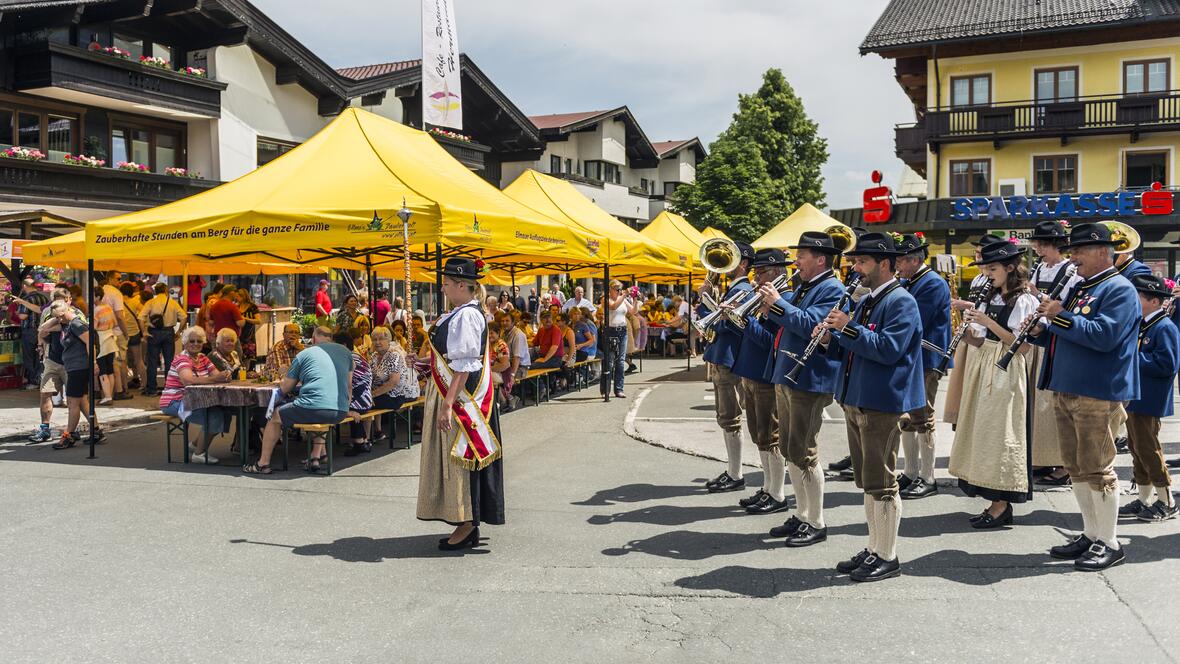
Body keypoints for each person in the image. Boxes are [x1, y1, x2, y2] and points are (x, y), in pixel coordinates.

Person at [1028, 222, 1140, 571]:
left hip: (1096, 390)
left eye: (1079, 251)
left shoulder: (1119, 289)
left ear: (1103, 253)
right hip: (1068, 386)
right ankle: (1091, 533)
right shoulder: (1082, 288)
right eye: (1072, 250)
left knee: (1098, 467)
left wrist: (1059, 318)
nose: (1073, 257)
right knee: (1076, 466)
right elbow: (1068, 336)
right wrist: (1040, 332)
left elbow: (1104, 337)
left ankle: (1110, 541)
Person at [823, 232, 923, 582]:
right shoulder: (867, 300)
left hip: (882, 400)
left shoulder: (901, 301)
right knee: (868, 481)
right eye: (855, 262)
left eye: (862, 262)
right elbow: (853, 348)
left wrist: (848, 329)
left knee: (882, 482)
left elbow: (889, 349)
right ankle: (874, 547)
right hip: (858, 397)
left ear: (884, 263)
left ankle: (888, 555)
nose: (856, 268)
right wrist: (830, 337)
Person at [761, 231, 846, 546]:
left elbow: (812, 326)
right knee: (790, 449)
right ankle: (801, 514)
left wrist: (779, 304)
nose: (796, 260)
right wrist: (768, 308)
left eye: (802, 255)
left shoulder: (832, 288)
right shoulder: (804, 287)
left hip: (809, 378)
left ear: (820, 259)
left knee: (804, 451)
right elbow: (786, 323)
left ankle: (817, 520)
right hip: (788, 373)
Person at [415, 257, 505, 550]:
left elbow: (465, 365)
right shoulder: (458, 313)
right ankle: (463, 519)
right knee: (454, 460)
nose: (443, 288)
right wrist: (420, 363)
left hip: (461, 399)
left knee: (461, 460)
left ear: (462, 285)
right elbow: (449, 360)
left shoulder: (467, 316)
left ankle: (468, 523)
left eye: (447, 284)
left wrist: (447, 404)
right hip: (449, 394)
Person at [948, 240, 1040, 528]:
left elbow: (1022, 347)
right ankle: (992, 500)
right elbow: (980, 339)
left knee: (1001, 435)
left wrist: (987, 321)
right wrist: (965, 334)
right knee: (983, 432)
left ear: (1010, 268)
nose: (988, 273)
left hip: (1007, 367)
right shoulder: (991, 295)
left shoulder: (1023, 299)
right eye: (985, 268)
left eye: (993, 268)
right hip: (984, 362)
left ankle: (1002, 504)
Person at [726, 249, 789, 515]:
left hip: (765, 375)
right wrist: (732, 317)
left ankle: (777, 493)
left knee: (770, 436)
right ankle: (767, 488)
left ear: (776, 272)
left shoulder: (781, 300)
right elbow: (749, 334)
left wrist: (748, 319)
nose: (756, 277)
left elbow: (770, 342)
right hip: (750, 372)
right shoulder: (760, 298)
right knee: (759, 435)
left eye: (761, 272)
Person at [244, 326, 352, 474]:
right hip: (340, 410)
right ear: (331, 338)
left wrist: (283, 378)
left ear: (313, 339)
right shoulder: (346, 352)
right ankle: (316, 455)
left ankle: (262, 463)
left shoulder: (304, 354)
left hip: (314, 408)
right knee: (319, 411)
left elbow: (286, 388)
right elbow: (349, 385)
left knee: (275, 416)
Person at [894, 233, 951, 499]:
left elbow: (914, 319)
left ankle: (928, 476)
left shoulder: (931, 283)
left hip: (927, 358)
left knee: (923, 416)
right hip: (913, 358)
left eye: (901, 262)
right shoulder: (911, 281)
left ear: (915, 260)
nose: (898, 267)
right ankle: (910, 471)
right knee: (907, 416)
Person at [1026, 221, 1081, 487]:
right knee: (1040, 403)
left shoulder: (1069, 269)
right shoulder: (1040, 267)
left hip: (1056, 333)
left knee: (1052, 403)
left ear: (1056, 246)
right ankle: (1043, 456)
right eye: (1038, 245)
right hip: (1041, 334)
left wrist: (1037, 294)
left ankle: (1062, 463)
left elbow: (1064, 302)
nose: (1039, 250)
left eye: (1043, 245)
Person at [1120, 274, 1179, 522]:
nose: (1134, 301)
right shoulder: (1143, 323)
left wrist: (1132, 357)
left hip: (1149, 397)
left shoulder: (1164, 327)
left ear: (1155, 301)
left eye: (1139, 297)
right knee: (1136, 448)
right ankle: (1144, 497)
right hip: (1135, 395)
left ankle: (1167, 500)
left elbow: (1167, 365)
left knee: (1148, 448)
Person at [700, 241, 756, 493]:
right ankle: (734, 471)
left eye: (732, 259)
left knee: (729, 416)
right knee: (726, 416)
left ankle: (735, 473)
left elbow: (730, 324)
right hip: (723, 356)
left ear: (743, 263)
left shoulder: (742, 289)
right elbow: (711, 319)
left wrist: (712, 309)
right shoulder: (734, 288)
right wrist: (707, 298)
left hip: (729, 358)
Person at [160, 327, 233, 463]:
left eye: (199, 341)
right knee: (214, 416)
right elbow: (188, 381)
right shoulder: (182, 359)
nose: (195, 344)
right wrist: (215, 378)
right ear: (185, 343)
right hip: (175, 401)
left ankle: (194, 445)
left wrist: (224, 375)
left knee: (224, 412)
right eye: (191, 341)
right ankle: (199, 454)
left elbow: (217, 375)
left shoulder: (202, 358)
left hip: (196, 400)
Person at [49, 300, 104, 449]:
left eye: (60, 316)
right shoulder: (66, 324)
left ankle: (69, 435)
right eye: (57, 317)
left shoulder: (76, 324)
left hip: (79, 368)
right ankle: (96, 430)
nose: (59, 319)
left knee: (73, 403)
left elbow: (89, 342)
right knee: (82, 401)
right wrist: (57, 317)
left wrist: (93, 362)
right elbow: (43, 329)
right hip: (74, 367)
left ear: (67, 310)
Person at [28, 289, 77, 443]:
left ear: (69, 300)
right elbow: (41, 330)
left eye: (61, 300)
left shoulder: (77, 313)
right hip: (52, 359)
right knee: (45, 393)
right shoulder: (49, 312)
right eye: (55, 301)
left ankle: (73, 430)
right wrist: (41, 346)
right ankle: (44, 428)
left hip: (72, 361)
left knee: (76, 399)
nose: (57, 304)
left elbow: (76, 327)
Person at [369, 326, 418, 441]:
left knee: (362, 404)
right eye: (374, 339)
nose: (377, 342)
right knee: (360, 402)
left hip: (394, 396)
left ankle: (363, 439)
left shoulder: (394, 355)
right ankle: (365, 437)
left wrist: (372, 395)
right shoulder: (374, 356)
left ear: (388, 340)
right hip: (380, 394)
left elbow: (393, 382)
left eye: (381, 339)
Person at [137, 282, 184, 397]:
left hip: (154, 333)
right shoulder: (173, 303)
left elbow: (140, 317)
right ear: (166, 291)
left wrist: (144, 332)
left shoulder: (151, 302)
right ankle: (169, 388)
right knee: (169, 361)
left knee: (152, 361)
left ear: (155, 291)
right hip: (168, 332)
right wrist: (179, 332)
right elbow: (184, 317)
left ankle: (152, 389)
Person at [95, 271, 131, 400]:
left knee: (105, 365)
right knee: (117, 363)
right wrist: (126, 333)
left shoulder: (101, 294)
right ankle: (119, 390)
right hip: (114, 333)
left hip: (101, 336)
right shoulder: (116, 293)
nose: (120, 281)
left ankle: (105, 393)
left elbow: (94, 324)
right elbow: (119, 318)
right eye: (118, 278)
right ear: (109, 278)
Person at [338, 331, 373, 456]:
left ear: (342, 345)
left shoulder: (348, 358)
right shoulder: (356, 356)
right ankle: (363, 440)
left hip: (360, 401)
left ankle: (359, 442)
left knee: (346, 405)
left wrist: (346, 408)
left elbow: (347, 384)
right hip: (367, 399)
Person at [603, 280, 638, 400]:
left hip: (622, 330)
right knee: (609, 360)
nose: (619, 291)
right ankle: (605, 388)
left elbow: (633, 311)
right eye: (617, 288)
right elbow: (613, 306)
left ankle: (619, 389)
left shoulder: (622, 299)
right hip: (610, 331)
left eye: (620, 288)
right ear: (611, 289)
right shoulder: (606, 299)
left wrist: (634, 299)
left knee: (621, 361)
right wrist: (624, 295)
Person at [15, 278, 48, 389]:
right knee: (39, 355)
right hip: (42, 329)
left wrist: (18, 313)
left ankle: (33, 382)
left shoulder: (26, 298)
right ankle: (39, 379)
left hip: (29, 330)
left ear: (24, 286)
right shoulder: (43, 297)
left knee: (29, 356)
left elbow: (23, 316)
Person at [118, 282, 145, 390]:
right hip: (135, 334)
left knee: (123, 361)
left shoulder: (118, 303)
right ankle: (144, 384)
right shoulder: (135, 302)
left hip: (122, 335)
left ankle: (124, 386)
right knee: (139, 360)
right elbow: (144, 312)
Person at [93, 300, 118, 405]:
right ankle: (109, 396)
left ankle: (107, 397)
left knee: (102, 371)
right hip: (111, 339)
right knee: (110, 370)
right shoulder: (108, 308)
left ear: (97, 296)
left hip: (101, 340)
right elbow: (115, 323)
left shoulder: (96, 310)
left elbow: (93, 327)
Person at [237, 289, 262, 367]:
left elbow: (258, 320)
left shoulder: (252, 307)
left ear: (243, 297)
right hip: (239, 336)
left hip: (249, 336)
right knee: (239, 358)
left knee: (248, 358)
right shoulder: (236, 307)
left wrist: (245, 319)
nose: (236, 298)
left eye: (238, 296)